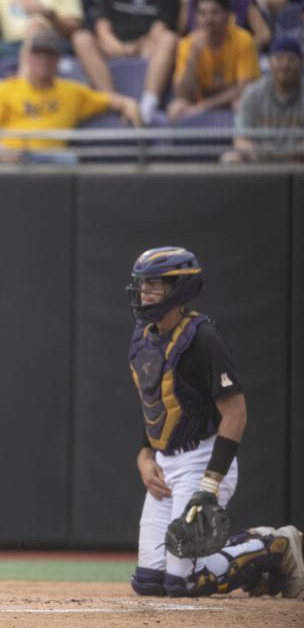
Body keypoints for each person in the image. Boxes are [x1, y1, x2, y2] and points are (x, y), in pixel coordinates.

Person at [126, 246, 304, 598]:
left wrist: (209, 484)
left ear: (179, 290)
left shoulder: (203, 339)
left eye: (155, 285)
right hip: (164, 463)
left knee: (184, 582)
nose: (144, 292)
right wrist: (144, 457)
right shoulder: (144, 336)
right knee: (149, 582)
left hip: (201, 461)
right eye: (142, 284)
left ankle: (276, 543)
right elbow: (156, 405)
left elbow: (235, 413)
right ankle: (254, 569)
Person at [0, 31, 141, 163]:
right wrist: (0, 150)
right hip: (13, 154)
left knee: (68, 159)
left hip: (52, 158)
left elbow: (110, 100)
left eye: (49, 55)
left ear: (57, 60)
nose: (44, 60)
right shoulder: (4, 88)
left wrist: (128, 104)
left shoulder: (72, 92)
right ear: (29, 58)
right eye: (39, 55)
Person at [70, 0, 180, 124]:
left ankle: (148, 106)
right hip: (112, 47)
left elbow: (159, 30)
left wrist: (135, 47)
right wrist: (119, 47)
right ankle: (112, 102)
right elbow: (102, 29)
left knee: (169, 38)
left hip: (146, 48)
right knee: (81, 38)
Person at [167, 0, 260, 123]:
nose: (208, 19)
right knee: (175, 109)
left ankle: (243, 143)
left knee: (241, 104)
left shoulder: (244, 40)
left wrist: (205, 106)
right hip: (201, 98)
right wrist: (193, 57)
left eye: (214, 12)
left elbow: (244, 88)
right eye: (202, 13)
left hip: (231, 99)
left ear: (227, 15)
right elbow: (182, 94)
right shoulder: (187, 44)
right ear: (195, 17)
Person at [223, 36, 304, 162]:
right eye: (279, 58)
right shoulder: (253, 93)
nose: (285, 65)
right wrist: (257, 151)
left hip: (298, 160)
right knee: (230, 159)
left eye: (291, 59)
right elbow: (240, 139)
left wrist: (291, 152)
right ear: (270, 62)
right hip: (260, 158)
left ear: (301, 63)